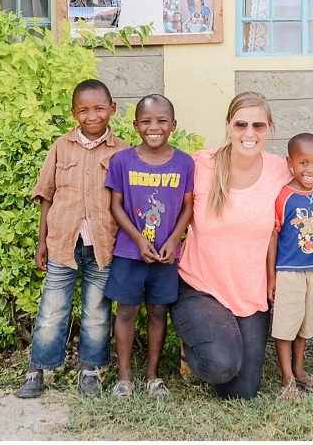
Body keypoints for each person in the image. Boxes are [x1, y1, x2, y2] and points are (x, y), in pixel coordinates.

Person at [169, 92, 291, 399]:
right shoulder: (201, 166)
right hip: (200, 288)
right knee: (221, 365)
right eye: (241, 124)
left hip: (250, 294)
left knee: (242, 391)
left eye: (258, 126)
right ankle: (191, 348)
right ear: (228, 125)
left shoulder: (280, 170)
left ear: (270, 128)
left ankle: (223, 340)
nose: (249, 133)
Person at [16, 80, 129, 398]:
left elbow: (125, 202)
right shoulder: (60, 146)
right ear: (73, 113)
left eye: (98, 108)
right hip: (62, 241)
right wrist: (42, 242)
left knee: (97, 308)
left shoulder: (122, 152)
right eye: (83, 110)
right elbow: (46, 196)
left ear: (112, 109)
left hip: (103, 244)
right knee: (52, 307)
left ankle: (90, 371)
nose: (91, 116)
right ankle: (38, 370)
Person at [103, 94, 194, 399]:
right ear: (135, 125)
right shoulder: (123, 161)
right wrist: (139, 239)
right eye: (146, 121)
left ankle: (152, 376)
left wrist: (173, 240)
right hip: (129, 252)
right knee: (126, 312)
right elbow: (115, 206)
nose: (153, 127)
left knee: (158, 312)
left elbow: (187, 208)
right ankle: (125, 377)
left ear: (173, 125)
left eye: (161, 121)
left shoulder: (185, 163)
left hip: (165, 256)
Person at [266, 133, 313, 401]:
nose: (311, 169)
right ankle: (286, 379)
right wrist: (271, 277)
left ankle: (299, 369)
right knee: (285, 326)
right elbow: (273, 236)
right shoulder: (284, 196)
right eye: (303, 163)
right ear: (289, 162)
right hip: (289, 272)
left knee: (304, 325)